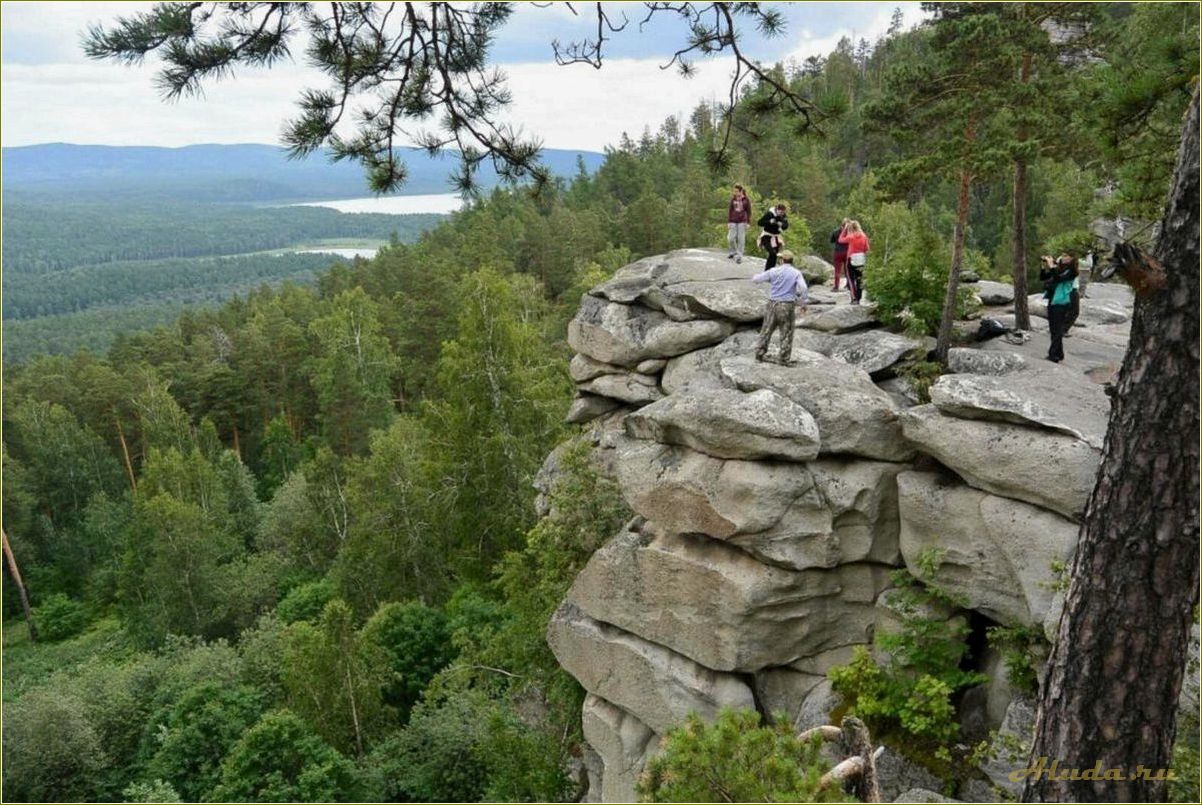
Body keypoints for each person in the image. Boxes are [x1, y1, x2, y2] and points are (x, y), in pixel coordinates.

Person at [752, 249, 809, 364]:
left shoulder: (774, 271)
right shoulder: (796, 273)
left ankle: (759, 354)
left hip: (772, 304)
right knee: (786, 331)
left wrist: (756, 276)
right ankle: (783, 358)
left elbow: (756, 279)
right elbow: (803, 288)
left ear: (782, 260)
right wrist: (803, 303)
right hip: (787, 305)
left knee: (766, 330)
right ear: (791, 260)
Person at [1040, 253, 1078, 363]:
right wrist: (1043, 266)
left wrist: (1051, 266)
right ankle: (1059, 353)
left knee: (1057, 329)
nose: (1065, 258)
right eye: (1064, 256)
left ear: (1072, 259)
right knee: (1053, 328)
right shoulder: (1059, 269)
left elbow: (1058, 279)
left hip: (1062, 302)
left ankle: (1053, 355)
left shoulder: (1072, 272)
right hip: (1053, 300)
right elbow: (1043, 277)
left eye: (1068, 256)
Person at [838, 220, 870, 304]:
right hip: (861, 260)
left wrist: (845, 229)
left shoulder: (851, 237)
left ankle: (854, 298)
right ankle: (859, 298)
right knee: (860, 280)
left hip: (851, 259)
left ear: (851, 228)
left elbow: (840, 240)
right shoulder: (864, 236)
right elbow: (867, 249)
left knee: (851, 280)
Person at [757, 203, 789, 269]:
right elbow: (759, 223)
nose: (781, 214)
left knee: (775, 255)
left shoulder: (784, 216)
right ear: (777, 210)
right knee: (772, 253)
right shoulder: (770, 214)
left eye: (783, 212)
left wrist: (782, 225)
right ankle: (767, 271)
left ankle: (771, 271)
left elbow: (786, 226)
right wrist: (769, 222)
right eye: (780, 212)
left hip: (776, 237)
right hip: (767, 236)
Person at [727, 185, 752, 263]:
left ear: (741, 191)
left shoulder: (746, 199)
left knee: (741, 239)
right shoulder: (733, 199)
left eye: (737, 191)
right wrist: (729, 221)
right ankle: (733, 252)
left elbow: (749, 211)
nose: (735, 192)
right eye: (734, 191)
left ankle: (739, 255)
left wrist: (748, 222)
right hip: (733, 220)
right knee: (730, 238)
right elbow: (730, 210)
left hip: (742, 221)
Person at [830, 218, 851, 290]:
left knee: (837, 270)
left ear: (841, 224)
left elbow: (831, 241)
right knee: (847, 269)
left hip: (838, 252)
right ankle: (848, 285)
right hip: (848, 252)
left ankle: (836, 286)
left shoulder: (835, 232)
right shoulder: (851, 233)